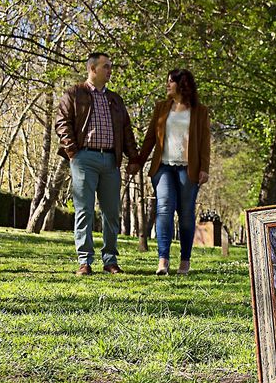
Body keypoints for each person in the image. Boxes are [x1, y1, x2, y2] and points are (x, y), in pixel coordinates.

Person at [55, 52, 139, 276]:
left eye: (110, 67)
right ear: (92, 69)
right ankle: (84, 260)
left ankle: (110, 259)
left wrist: (134, 158)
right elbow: (62, 122)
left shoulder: (115, 99)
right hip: (84, 159)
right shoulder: (74, 93)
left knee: (111, 212)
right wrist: (73, 151)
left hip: (111, 160)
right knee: (84, 210)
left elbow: (126, 130)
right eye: (106, 67)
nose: (110, 71)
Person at [137, 69, 210, 275]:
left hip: (188, 169)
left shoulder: (199, 111)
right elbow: (151, 137)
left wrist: (204, 168)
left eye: (170, 82)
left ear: (182, 84)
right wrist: (139, 161)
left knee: (186, 215)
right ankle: (163, 261)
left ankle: (185, 261)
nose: (167, 85)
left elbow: (205, 142)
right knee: (164, 209)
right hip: (163, 167)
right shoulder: (161, 107)